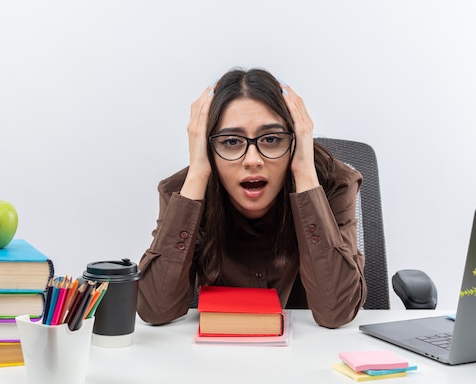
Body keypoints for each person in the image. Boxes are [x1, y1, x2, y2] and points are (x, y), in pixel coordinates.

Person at [137, 68, 366, 329]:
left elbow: (336, 312)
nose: (253, 160)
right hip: (213, 358)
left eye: (271, 139)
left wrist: (303, 169)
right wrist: (199, 171)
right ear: (208, 146)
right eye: (231, 142)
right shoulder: (184, 191)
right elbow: (155, 310)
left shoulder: (332, 183)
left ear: (294, 141)